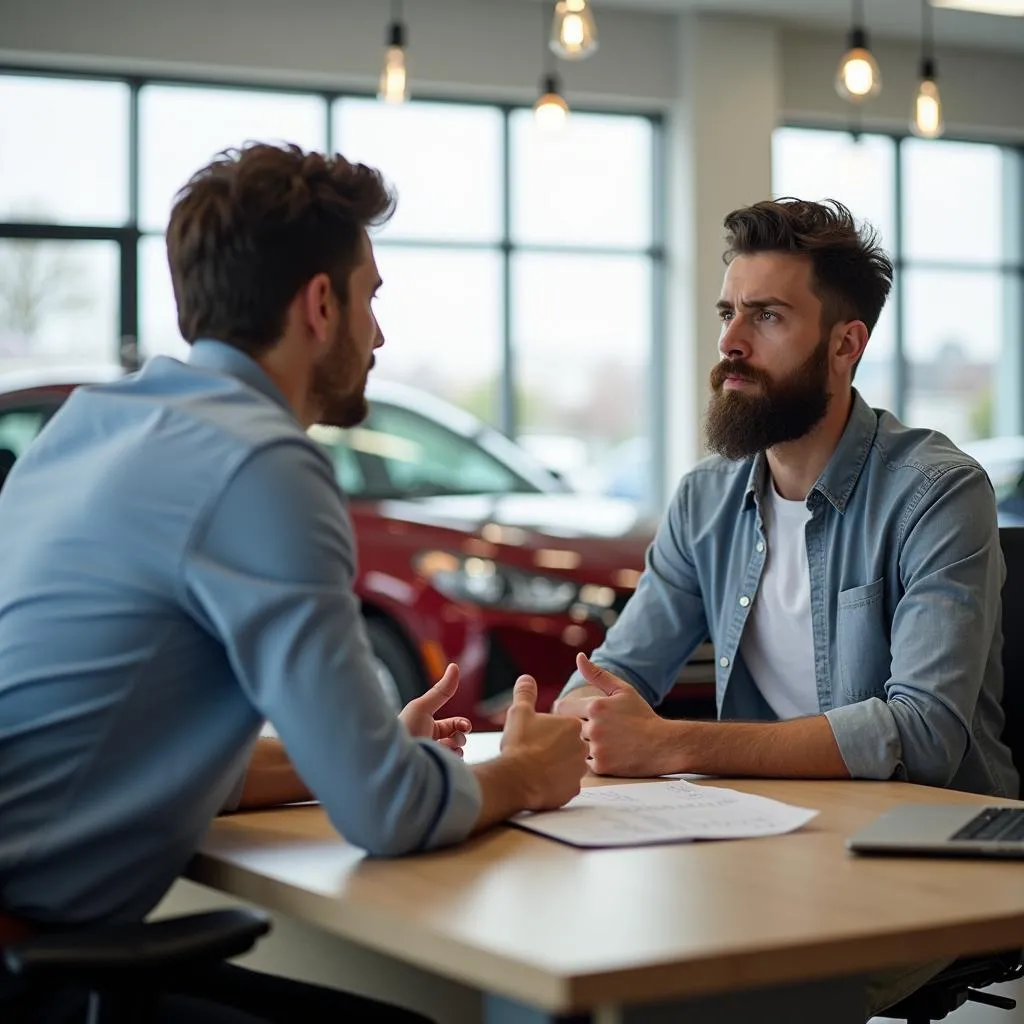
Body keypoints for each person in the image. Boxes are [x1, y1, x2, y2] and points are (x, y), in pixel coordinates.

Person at [0, 142, 587, 1024]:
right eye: (371, 298)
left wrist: (358, 748)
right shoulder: (260, 460)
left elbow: (127, 741)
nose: (380, 334)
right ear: (321, 304)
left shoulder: (92, 423)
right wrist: (525, 773)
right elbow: (387, 813)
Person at [554, 197, 1018, 1019]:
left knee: (700, 1002)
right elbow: (614, 674)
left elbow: (924, 735)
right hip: (770, 839)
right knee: (601, 963)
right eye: (729, 312)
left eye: (766, 317)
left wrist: (667, 745)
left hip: (931, 855)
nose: (731, 341)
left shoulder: (937, 493)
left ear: (847, 345)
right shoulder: (706, 498)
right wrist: (570, 723)